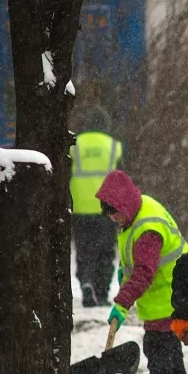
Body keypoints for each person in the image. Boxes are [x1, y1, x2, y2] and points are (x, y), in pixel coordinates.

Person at [97, 171, 188, 374]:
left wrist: (122, 301)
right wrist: (123, 271)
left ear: (125, 205)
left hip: (170, 293)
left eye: (115, 213)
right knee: (169, 349)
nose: (113, 219)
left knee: (159, 349)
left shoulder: (147, 229)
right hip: (173, 291)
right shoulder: (136, 213)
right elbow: (134, 263)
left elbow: (144, 272)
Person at [69, 109, 123, 307]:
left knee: (84, 251)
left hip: (80, 209)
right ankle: (101, 292)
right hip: (107, 210)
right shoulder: (113, 147)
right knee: (105, 252)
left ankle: (86, 282)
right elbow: (121, 179)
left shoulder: (74, 146)